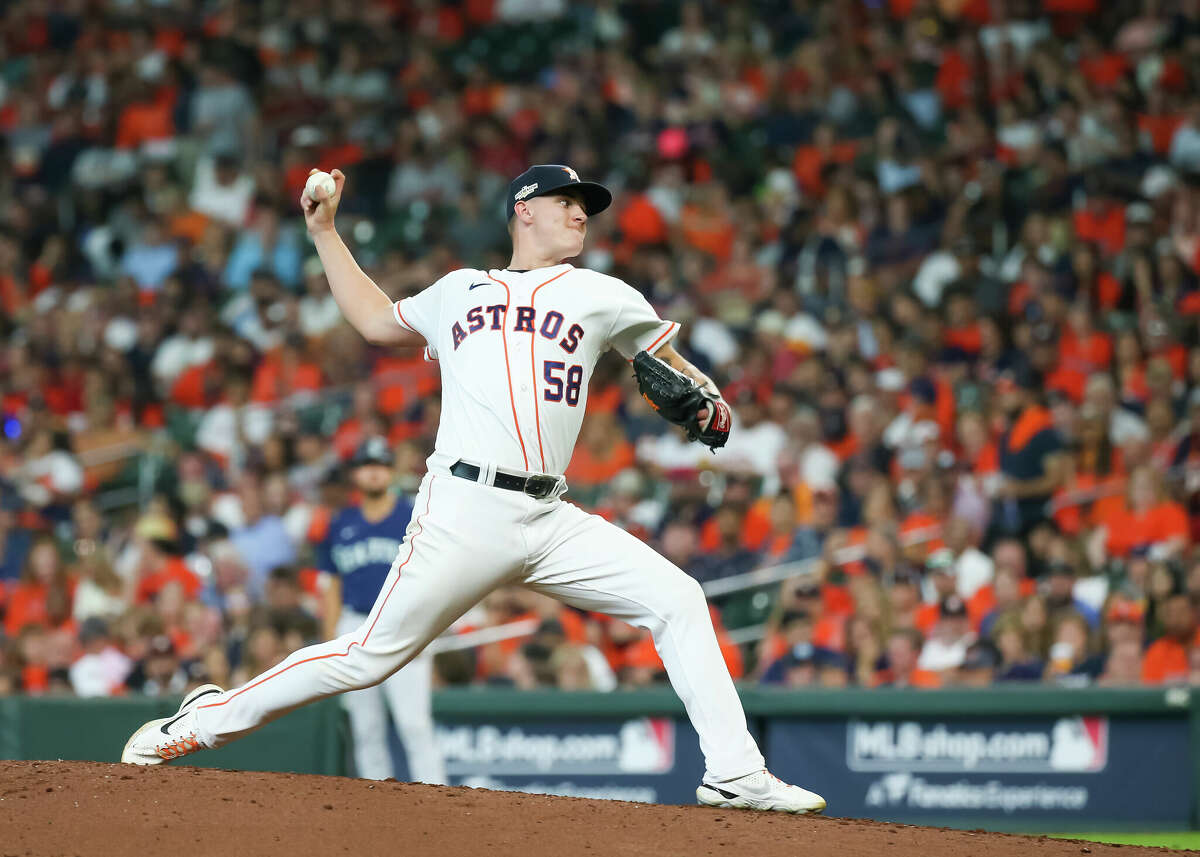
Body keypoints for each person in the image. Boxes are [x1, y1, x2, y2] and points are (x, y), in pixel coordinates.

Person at [121, 164, 826, 814]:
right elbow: (373, 321)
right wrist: (325, 232)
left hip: (550, 514)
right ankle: (201, 722)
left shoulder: (602, 293)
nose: (582, 215)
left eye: (587, 206)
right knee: (369, 655)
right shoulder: (461, 289)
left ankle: (735, 771)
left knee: (677, 598)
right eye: (568, 203)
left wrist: (709, 400)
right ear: (524, 210)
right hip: (464, 506)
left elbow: (667, 360)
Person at [317, 438, 445, 784]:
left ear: (390, 471)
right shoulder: (339, 523)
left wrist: (426, 629)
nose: (373, 472)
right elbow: (331, 586)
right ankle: (376, 806)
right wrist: (330, 636)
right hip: (355, 624)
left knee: (414, 724)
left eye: (380, 465)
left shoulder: (413, 515)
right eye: (366, 465)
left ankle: (436, 798)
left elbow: (433, 576)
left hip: (404, 624)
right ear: (356, 474)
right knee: (366, 727)